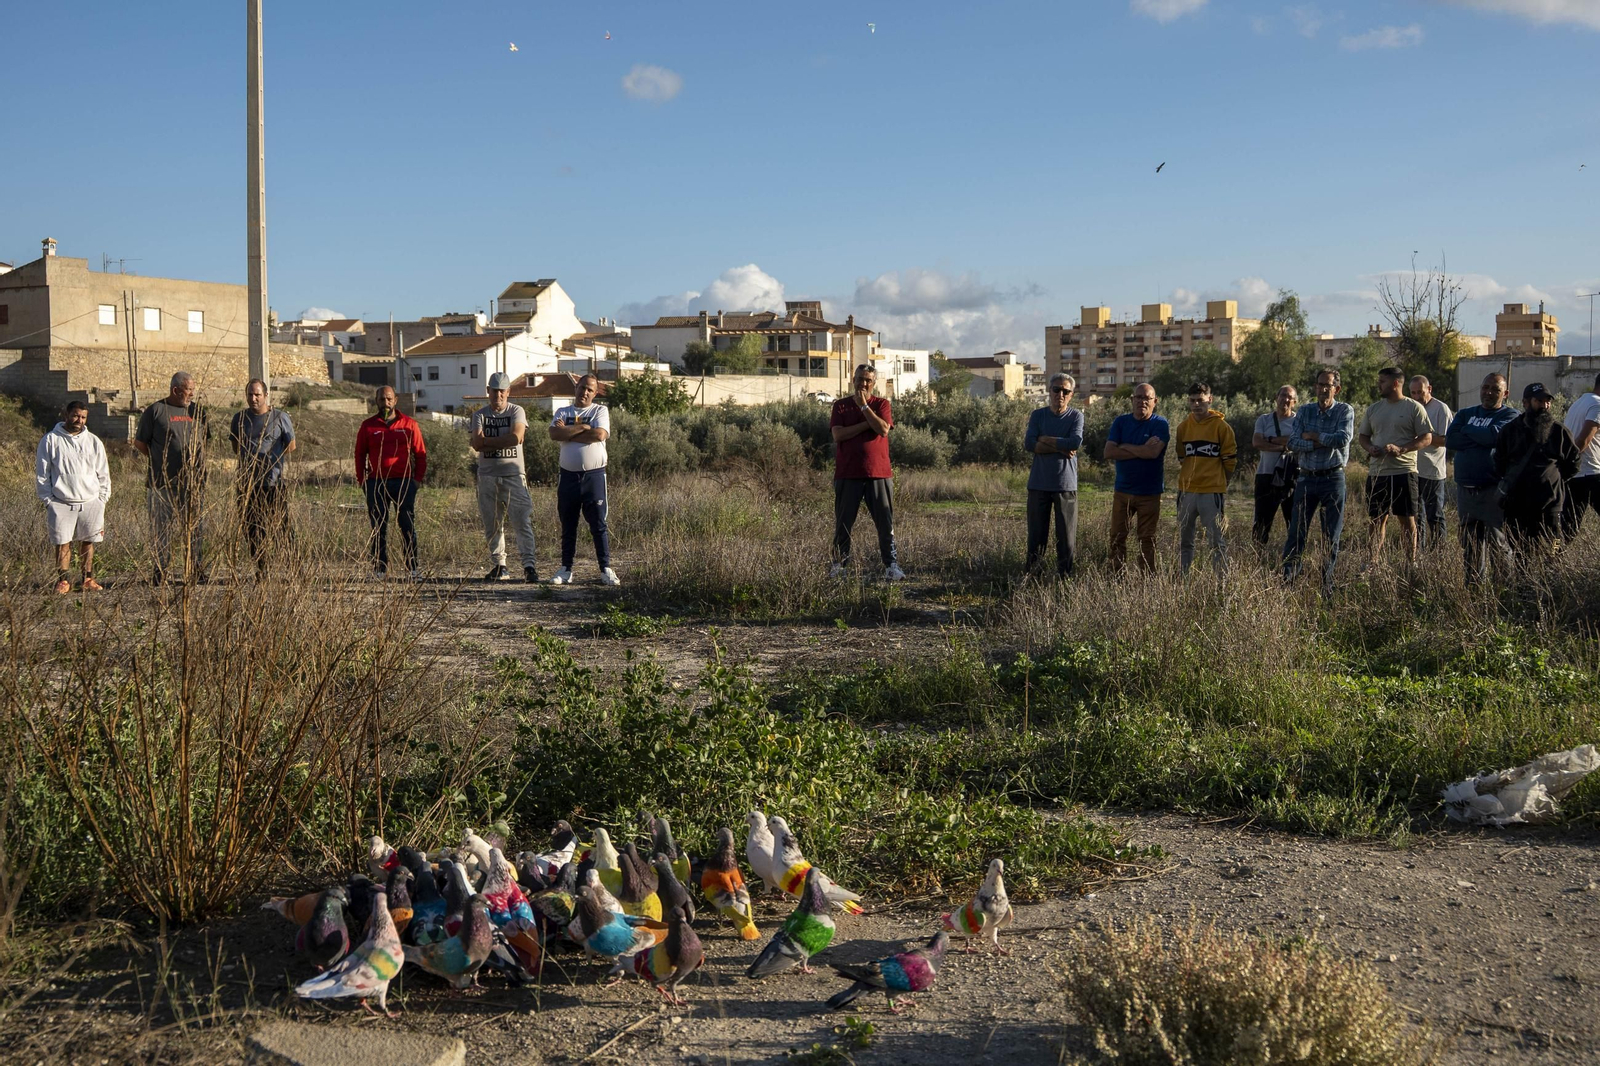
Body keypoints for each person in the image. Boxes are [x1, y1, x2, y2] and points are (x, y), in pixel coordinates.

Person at [134, 371, 210, 585]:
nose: (192, 395)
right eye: (189, 390)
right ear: (176, 390)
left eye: (193, 390)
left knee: (194, 529)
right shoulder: (156, 411)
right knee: (161, 530)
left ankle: (195, 570)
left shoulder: (198, 412)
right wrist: (161, 461)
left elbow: (205, 441)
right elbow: (140, 444)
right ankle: (160, 572)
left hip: (193, 485)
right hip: (162, 485)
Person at [1282, 368, 1355, 591]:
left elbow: (1342, 439)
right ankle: (1289, 580)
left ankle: (1326, 584)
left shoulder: (1344, 411)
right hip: (1306, 478)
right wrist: (1321, 442)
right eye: (1320, 384)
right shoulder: (1305, 411)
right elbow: (1293, 443)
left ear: (1337, 389)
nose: (1323, 389)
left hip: (1332, 477)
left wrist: (1313, 436)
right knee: (1296, 532)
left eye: (1328, 385)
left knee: (1330, 534)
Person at [829, 363, 902, 581]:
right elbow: (838, 436)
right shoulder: (840, 406)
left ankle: (891, 566)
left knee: (885, 523)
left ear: (874, 383)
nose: (863, 383)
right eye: (860, 379)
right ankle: (839, 566)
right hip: (847, 473)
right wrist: (865, 424)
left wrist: (863, 408)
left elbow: (883, 429)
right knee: (843, 523)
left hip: (878, 474)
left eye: (868, 380)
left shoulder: (882, 404)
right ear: (853, 379)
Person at [1445, 373, 1517, 587]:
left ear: (1505, 393)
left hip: (1493, 490)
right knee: (1470, 545)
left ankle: (1504, 592)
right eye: (1485, 387)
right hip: (1465, 490)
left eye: (1495, 389)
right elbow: (1451, 439)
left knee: (1499, 543)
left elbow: (1494, 437)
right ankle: (1474, 590)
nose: (1488, 392)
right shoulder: (1467, 413)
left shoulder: (1510, 415)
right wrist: (1480, 436)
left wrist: (1468, 430)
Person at [1357, 366, 1432, 569]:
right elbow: (1363, 436)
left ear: (1396, 383)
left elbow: (1426, 437)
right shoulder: (1374, 409)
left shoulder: (1413, 408)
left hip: (1404, 472)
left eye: (1382, 381)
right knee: (1376, 520)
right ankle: (1371, 563)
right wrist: (1370, 447)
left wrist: (1402, 449)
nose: (1378, 385)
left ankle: (1411, 563)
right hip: (1377, 473)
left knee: (1407, 520)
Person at [548, 373, 618, 586]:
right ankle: (566, 569)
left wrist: (568, 432)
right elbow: (553, 433)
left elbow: (599, 435)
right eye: (581, 387)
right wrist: (583, 428)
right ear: (576, 388)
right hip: (568, 476)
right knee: (568, 524)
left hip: (594, 477)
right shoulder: (563, 411)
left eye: (589, 389)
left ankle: (605, 568)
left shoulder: (600, 410)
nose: (584, 392)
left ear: (595, 393)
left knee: (598, 523)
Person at [35, 400, 111, 594]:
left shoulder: (93, 441)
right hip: (60, 501)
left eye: (83, 417)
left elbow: (103, 473)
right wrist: (48, 500)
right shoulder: (50, 439)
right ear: (66, 414)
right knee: (63, 542)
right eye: (76, 415)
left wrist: (102, 498)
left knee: (88, 540)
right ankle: (63, 581)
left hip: (90, 499)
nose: (79, 420)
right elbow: (42, 474)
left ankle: (88, 579)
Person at [1494, 382, 1580, 551]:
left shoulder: (1559, 432)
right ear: (1526, 403)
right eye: (1539, 401)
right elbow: (1500, 463)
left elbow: (1573, 463)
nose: (1544, 405)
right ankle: (1524, 578)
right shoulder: (1510, 431)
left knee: (1555, 549)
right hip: (1517, 508)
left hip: (1550, 507)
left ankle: (1553, 574)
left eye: (1547, 401)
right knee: (1521, 555)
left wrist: (1552, 481)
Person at [470, 372, 538, 583]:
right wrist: (501, 440)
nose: (498, 395)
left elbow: (516, 438)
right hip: (488, 477)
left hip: (514, 476)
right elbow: (476, 444)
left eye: (502, 391)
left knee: (521, 521)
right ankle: (500, 565)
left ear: (508, 392)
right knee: (492, 523)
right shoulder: (479, 415)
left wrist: (487, 440)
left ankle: (529, 566)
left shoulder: (517, 411)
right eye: (494, 390)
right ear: (488, 391)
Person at [355, 385, 426, 579]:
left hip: (403, 483)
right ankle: (379, 569)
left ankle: (412, 568)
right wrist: (363, 481)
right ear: (376, 401)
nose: (385, 403)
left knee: (407, 526)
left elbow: (420, 454)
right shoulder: (368, 426)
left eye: (388, 399)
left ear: (395, 401)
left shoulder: (409, 424)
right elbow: (360, 455)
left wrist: (416, 480)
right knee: (378, 528)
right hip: (376, 483)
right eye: (381, 400)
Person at [229, 378, 296, 575]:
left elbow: (291, 446)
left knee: (282, 528)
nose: (253, 398)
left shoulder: (280, 418)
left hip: (273, 484)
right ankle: (262, 570)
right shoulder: (239, 419)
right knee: (253, 530)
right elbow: (235, 447)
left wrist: (270, 461)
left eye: (257, 394)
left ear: (266, 395)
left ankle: (293, 569)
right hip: (247, 484)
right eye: (250, 394)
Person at [1023, 373, 1084, 579]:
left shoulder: (1076, 416)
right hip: (1038, 484)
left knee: (1066, 539)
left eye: (1065, 391)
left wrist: (1044, 439)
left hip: (1065, 485)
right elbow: (1029, 444)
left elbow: (1074, 443)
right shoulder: (1038, 415)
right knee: (1036, 537)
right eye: (1056, 389)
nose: (1060, 394)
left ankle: (1064, 579)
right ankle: (1033, 578)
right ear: (1049, 391)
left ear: (1071, 395)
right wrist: (1060, 445)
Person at [1103, 383, 1169, 573]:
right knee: (1117, 536)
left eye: (1147, 398)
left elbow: (1153, 453)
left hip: (1150, 492)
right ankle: (1116, 577)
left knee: (1147, 538)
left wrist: (1124, 446)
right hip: (1123, 491)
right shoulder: (1120, 422)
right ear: (1132, 400)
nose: (1142, 401)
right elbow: (1108, 452)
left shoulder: (1160, 424)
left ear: (1155, 402)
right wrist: (1141, 449)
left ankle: (1147, 579)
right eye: (1138, 397)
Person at [1174, 381, 1237, 577]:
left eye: (1200, 401)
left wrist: (1220, 482)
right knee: (1185, 541)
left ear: (1210, 399)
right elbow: (1182, 457)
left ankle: (1221, 584)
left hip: (1211, 491)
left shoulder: (1222, 427)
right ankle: (1183, 581)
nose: (1196, 405)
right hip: (1187, 491)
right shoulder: (1183, 427)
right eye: (1192, 401)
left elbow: (1230, 462)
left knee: (1216, 541)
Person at [1407, 375, 1453, 549]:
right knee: (1416, 515)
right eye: (1413, 393)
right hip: (1413, 469)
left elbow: (1445, 439)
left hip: (1432, 470)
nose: (1417, 396)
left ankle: (1439, 553)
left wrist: (1424, 438)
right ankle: (1418, 552)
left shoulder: (1441, 409)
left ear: (1429, 389)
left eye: (1420, 392)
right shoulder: (1410, 408)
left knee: (1435, 515)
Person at [1251, 385, 1298, 546]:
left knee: (1294, 523)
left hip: (1290, 477)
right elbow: (1257, 442)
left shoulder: (1299, 421)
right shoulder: (1263, 419)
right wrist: (1281, 446)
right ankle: (1257, 559)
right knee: (1261, 523)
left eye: (1289, 397)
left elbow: (1296, 442)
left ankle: (1292, 560)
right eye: (1282, 395)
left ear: (1294, 402)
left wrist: (1269, 439)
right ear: (1276, 398)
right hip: (1266, 475)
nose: (1285, 399)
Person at [1559, 372, 1600, 539]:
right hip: (1592, 475)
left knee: (1566, 529)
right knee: (1568, 526)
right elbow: (1583, 440)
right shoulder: (1597, 405)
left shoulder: (1578, 403)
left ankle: (1553, 557)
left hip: (1573, 477)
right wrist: (1571, 462)